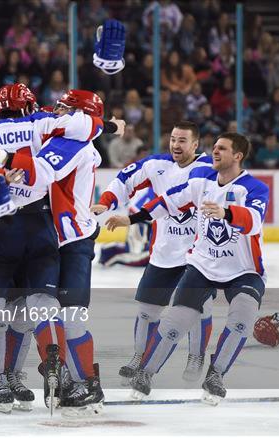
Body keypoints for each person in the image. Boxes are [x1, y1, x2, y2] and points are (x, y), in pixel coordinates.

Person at [0, 84, 122, 413]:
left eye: (64, 108)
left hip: (67, 240)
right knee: (24, 312)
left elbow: (43, 172)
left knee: (62, 316)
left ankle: (83, 383)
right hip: (48, 235)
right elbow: (49, 126)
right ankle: (15, 377)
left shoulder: (71, 142)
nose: (55, 110)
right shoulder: (48, 129)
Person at [105, 132, 269, 406]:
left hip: (244, 269)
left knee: (242, 318)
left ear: (237, 156)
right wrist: (131, 219)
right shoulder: (202, 182)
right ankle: (145, 374)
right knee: (174, 324)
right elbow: (167, 203)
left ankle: (216, 375)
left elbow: (253, 221)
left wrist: (226, 213)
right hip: (202, 265)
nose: (215, 152)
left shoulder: (253, 187)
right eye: (214, 147)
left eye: (222, 149)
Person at [91, 121, 214, 384]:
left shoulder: (206, 170)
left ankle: (196, 356)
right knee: (147, 311)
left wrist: (133, 218)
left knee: (198, 309)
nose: (175, 145)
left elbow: (179, 197)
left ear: (195, 145)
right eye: (173, 139)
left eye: (182, 141)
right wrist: (106, 201)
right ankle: (139, 357)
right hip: (163, 253)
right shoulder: (156, 165)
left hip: (196, 257)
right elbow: (124, 179)